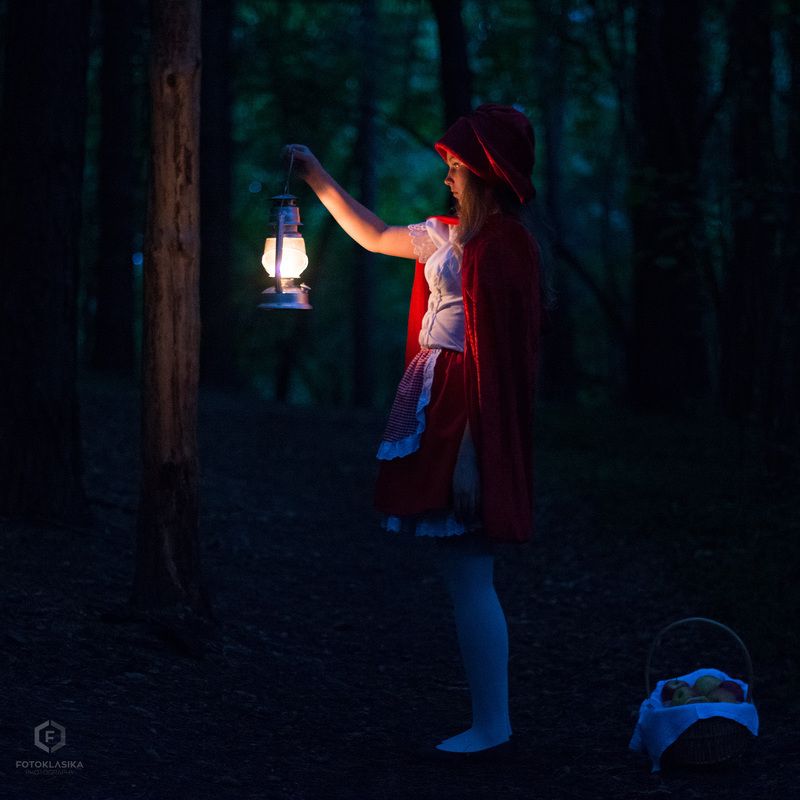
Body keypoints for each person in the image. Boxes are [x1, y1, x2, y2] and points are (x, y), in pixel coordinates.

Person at [284, 104, 542, 759]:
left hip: (465, 410)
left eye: (456, 168)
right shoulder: (444, 237)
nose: (447, 178)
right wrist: (316, 176)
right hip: (438, 400)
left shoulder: (506, 247)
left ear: (484, 173)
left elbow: (504, 361)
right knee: (462, 574)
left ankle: (494, 724)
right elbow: (372, 235)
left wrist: (470, 458)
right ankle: (492, 720)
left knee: (469, 572)